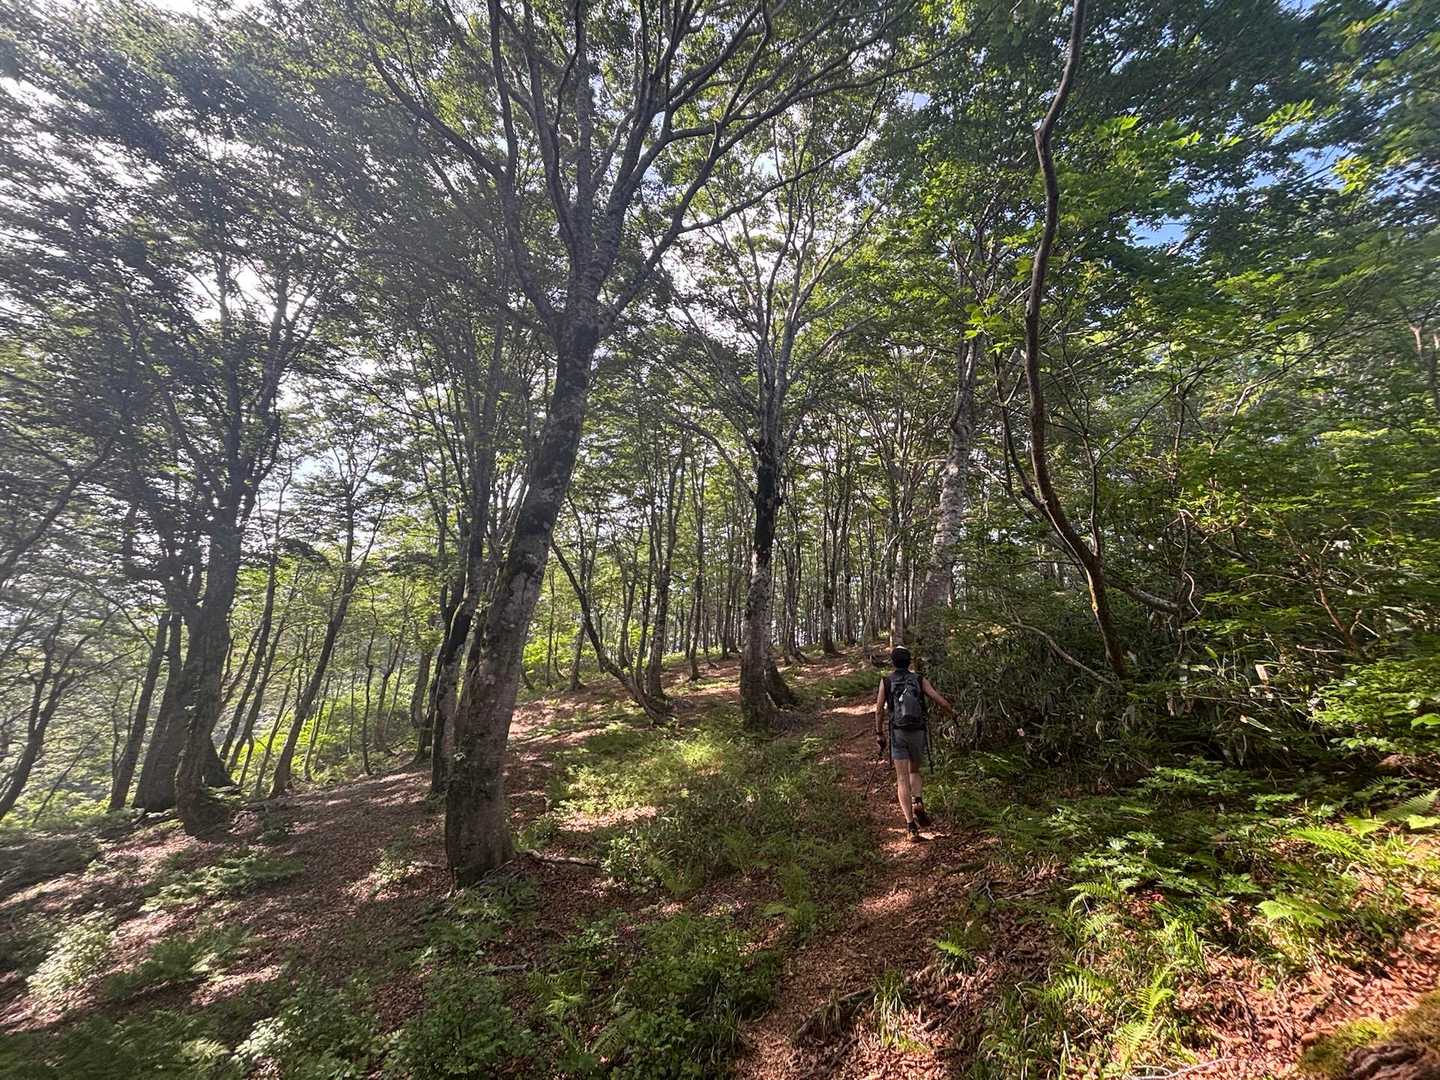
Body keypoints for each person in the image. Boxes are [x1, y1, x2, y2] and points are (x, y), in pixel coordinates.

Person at [875, 645, 952, 841]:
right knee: (914, 771)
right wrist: (953, 714)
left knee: (902, 778)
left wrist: (879, 733)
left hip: (898, 732)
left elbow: (879, 710)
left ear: (893, 662)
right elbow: (940, 700)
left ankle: (911, 827)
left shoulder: (886, 681)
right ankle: (918, 800)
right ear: (909, 662)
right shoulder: (918, 679)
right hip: (917, 732)